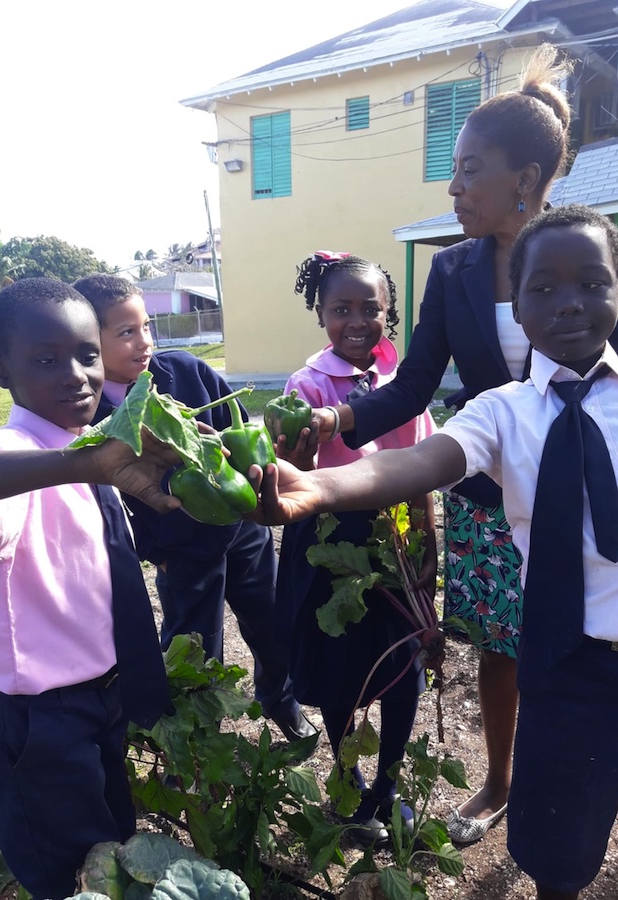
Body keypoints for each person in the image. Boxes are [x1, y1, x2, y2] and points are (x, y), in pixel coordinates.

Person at [254, 204, 618, 900]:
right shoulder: (500, 411)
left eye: (591, 283)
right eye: (541, 289)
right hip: (566, 665)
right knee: (560, 848)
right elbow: (413, 464)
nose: (567, 304)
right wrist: (320, 487)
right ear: (517, 307)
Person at [305, 44, 577, 842]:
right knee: (500, 645)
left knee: (584, 640)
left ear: (523, 180)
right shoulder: (453, 271)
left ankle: (575, 778)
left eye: (469, 171)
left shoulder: (581, 254)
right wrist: (337, 422)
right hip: (488, 495)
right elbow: (413, 383)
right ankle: (497, 781)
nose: (452, 188)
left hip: (581, 489)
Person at [0, 277, 181, 899]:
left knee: (110, 850)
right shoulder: (17, 455)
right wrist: (78, 464)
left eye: (87, 354)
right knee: (69, 872)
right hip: (37, 720)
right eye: (46, 361)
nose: (76, 375)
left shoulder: (94, 450)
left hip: (101, 699)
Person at [73, 274, 315, 743]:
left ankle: (280, 699)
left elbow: (241, 432)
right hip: (179, 549)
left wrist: (254, 472)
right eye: (126, 332)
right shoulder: (95, 418)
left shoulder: (186, 372)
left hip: (243, 531)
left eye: (147, 327)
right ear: (90, 343)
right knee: (195, 648)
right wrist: (152, 551)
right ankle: (194, 739)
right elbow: (110, 503)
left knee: (270, 622)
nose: (144, 341)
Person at [274, 252, 437, 845]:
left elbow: (419, 472)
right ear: (321, 314)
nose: (358, 321)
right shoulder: (306, 385)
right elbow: (295, 473)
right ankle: (348, 785)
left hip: (391, 535)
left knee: (401, 669)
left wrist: (426, 558)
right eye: (342, 309)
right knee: (338, 670)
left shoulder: (404, 384)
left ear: (389, 314)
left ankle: (389, 790)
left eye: (372, 308)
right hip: (327, 542)